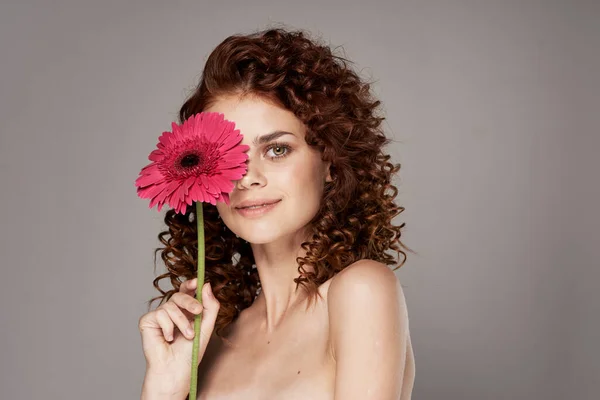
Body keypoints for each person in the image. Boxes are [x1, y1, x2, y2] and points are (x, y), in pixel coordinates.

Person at [138, 27, 416, 400]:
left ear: (330, 160)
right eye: (226, 159)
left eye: (277, 150)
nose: (248, 178)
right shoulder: (212, 338)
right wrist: (162, 390)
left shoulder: (361, 291)